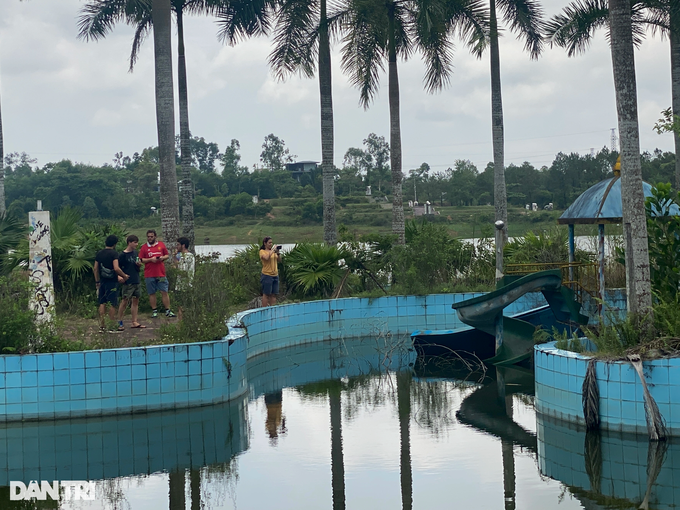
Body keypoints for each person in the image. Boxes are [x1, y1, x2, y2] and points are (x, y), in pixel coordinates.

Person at [94, 234, 128, 332]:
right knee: (112, 303)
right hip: (112, 282)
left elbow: (95, 268)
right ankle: (112, 325)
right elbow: (116, 268)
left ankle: (102, 325)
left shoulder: (99, 253)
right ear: (115, 244)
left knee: (102, 302)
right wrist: (124, 275)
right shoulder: (114, 254)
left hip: (102, 281)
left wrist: (97, 281)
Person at [138, 229, 176, 318]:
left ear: (155, 236)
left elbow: (167, 255)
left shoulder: (161, 245)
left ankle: (168, 310)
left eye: (151, 236)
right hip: (149, 274)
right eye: (148, 237)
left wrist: (162, 258)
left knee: (164, 291)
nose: (150, 238)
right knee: (152, 293)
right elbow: (140, 259)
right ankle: (154, 311)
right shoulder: (144, 247)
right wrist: (151, 260)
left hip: (161, 273)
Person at [117, 234, 146, 330]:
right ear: (129, 243)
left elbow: (138, 267)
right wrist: (119, 276)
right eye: (135, 242)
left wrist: (139, 265)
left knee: (136, 300)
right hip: (127, 280)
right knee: (125, 300)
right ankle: (120, 321)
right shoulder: (122, 255)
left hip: (136, 279)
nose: (136, 244)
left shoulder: (135, 253)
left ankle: (134, 321)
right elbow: (117, 267)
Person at [174, 236, 195, 320]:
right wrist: (175, 257)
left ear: (183, 245)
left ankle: (182, 324)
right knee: (180, 306)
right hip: (180, 284)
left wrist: (176, 270)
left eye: (178, 245)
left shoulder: (187, 257)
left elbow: (183, 271)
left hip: (185, 285)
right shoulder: (182, 256)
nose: (177, 246)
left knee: (183, 307)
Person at [259, 236, 281, 306]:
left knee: (273, 294)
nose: (271, 244)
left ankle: (273, 309)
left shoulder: (273, 252)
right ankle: (264, 310)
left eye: (271, 242)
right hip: (267, 275)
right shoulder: (262, 251)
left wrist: (277, 253)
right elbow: (266, 257)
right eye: (269, 243)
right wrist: (272, 250)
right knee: (266, 294)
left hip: (275, 275)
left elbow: (279, 260)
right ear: (265, 243)